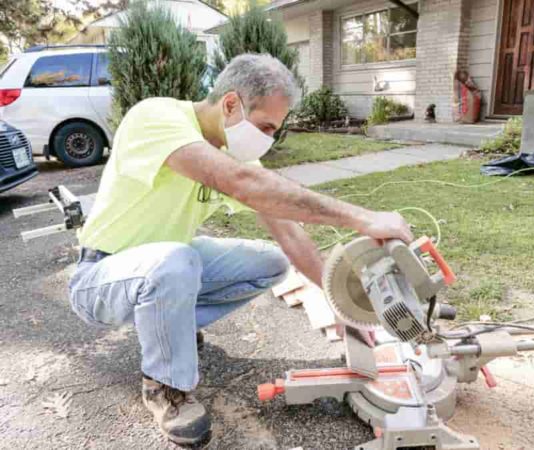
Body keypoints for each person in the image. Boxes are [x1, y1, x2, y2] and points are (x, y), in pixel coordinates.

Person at [68, 53, 413, 445]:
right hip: (100, 275)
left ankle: (171, 328)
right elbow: (241, 182)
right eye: (266, 126)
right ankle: (165, 386)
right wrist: (362, 218)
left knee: (271, 261)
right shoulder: (156, 117)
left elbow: (289, 232)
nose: (268, 138)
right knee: (175, 261)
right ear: (230, 103)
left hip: (163, 266)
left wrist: (340, 306)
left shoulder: (233, 151)